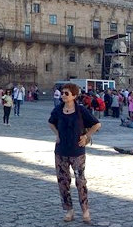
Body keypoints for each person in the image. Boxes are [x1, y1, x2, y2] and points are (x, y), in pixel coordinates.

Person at [48, 83, 101, 223]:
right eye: (63, 93)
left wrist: (86, 136)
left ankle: (85, 210)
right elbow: (51, 122)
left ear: (74, 96)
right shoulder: (58, 109)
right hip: (61, 151)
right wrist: (57, 134)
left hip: (77, 151)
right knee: (63, 181)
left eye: (66, 93)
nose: (63, 95)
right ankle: (69, 210)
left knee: (80, 181)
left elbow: (97, 124)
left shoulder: (81, 110)